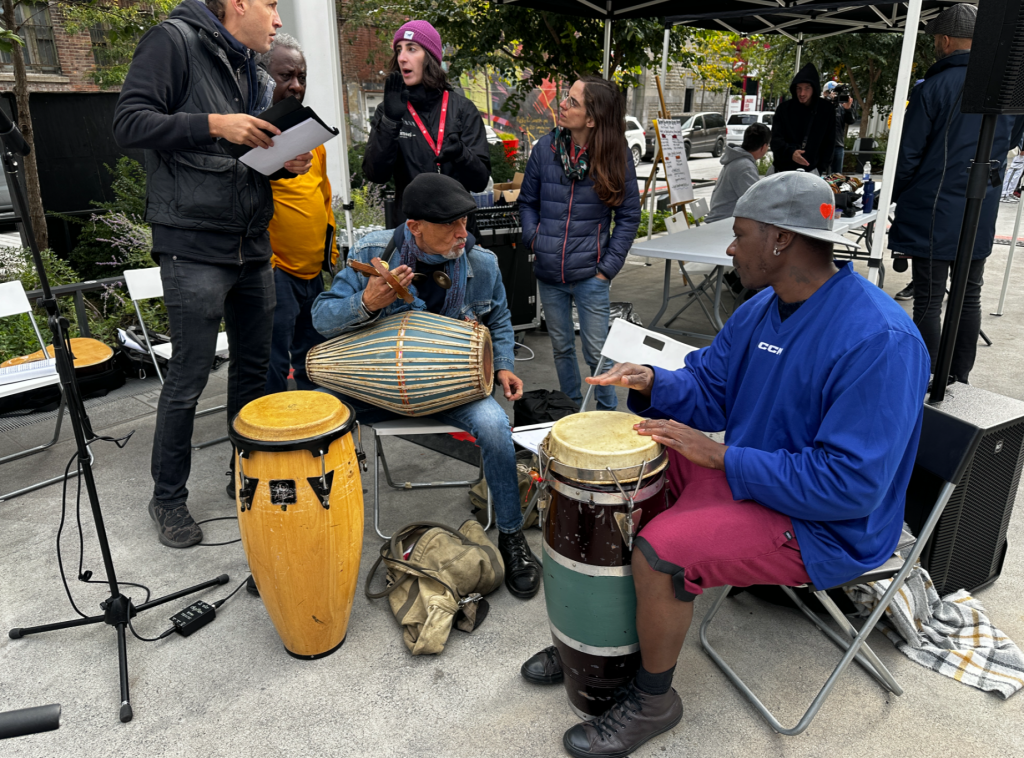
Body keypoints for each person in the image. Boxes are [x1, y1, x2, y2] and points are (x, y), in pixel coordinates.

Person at [520, 173, 931, 758]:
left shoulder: (880, 340)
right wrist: (654, 381)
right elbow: (710, 389)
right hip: (755, 480)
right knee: (621, 481)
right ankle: (599, 648)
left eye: (740, 235)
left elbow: (849, 486)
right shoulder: (762, 307)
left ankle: (654, 698)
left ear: (781, 240)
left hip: (828, 527)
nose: (731, 249)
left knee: (661, 552)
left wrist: (721, 456)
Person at [114, 0, 314, 549]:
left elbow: (240, 159)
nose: (277, 20)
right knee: (190, 377)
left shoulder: (249, 65)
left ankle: (243, 475)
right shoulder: (172, 41)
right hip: (193, 244)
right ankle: (168, 499)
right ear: (238, 3)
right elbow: (129, 124)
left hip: (251, 240)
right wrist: (213, 124)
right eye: (271, 5)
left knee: (252, 373)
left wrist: (280, 158)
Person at [311, 173, 541, 599]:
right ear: (414, 226)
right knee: (317, 415)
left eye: (465, 222)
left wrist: (504, 364)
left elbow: (501, 319)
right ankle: (313, 538)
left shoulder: (481, 264)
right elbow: (321, 319)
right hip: (375, 390)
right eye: (449, 225)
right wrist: (365, 303)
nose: (462, 233)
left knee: (494, 427)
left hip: (448, 392)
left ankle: (511, 537)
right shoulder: (370, 254)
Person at [887, 3, 1017, 385]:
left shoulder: (934, 87)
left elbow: (908, 155)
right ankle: (959, 377)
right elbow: (1012, 141)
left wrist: (898, 196)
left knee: (929, 299)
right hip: (981, 207)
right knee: (969, 295)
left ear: (944, 41)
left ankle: (927, 376)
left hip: (933, 207)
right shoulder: (1003, 89)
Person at [519, 77, 641, 412]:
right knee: (560, 347)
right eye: (566, 98)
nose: (563, 104)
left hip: (591, 275)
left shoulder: (615, 157)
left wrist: (607, 269)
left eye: (573, 101)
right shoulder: (546, 148)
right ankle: (571, 412)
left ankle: (606, 415)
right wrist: (535, 239)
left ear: (592, 118)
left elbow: (629, 217)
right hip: (549, 272)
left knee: (597, 353)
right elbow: (527, 202)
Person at [259, 33, 339, 396]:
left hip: (312, 274)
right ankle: (273, 442)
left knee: (314, 357)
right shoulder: (254, 136)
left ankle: (315, 428)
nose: (295, 86)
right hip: (277, 274)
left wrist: (330, 252)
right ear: (263, 77)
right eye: (285, 76)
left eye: (301, 77)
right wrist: (270, 263)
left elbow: (323, 197)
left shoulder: (312, 136)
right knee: (273, 362)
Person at [362, 20, 490, 223]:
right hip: (411, 234)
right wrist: (390, 122)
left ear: (430, 57)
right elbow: (375, 174)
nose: (402, 58)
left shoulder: (463, 109)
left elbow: (480, 182)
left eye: (412, 49)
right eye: (398, 50)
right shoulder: (389, 110)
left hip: (456, 233)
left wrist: (461, 154)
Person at [770, 63, 835, 175]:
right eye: (799, 88)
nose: (802, 93)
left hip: (811, 172)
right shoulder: (784, 109)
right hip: (783, 170)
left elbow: (829, 143)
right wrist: (791, 153)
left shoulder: (826, 110)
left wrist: (820, 168)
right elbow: (775, 140)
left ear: (814, 88)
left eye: (807, 88)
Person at [704, 122, 771, 224]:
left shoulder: (737, 160)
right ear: (763, 146)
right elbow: (757, 202)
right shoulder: (745, 166)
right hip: (724, 224)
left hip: (722, 220)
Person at [823, 82, 855, 174]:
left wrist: (848, 109)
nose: (834, 95)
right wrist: (829, 102)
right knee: (820, 172)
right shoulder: (820, 105)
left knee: (837, 175)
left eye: (836, 93)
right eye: (829, 92)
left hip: (838, 145)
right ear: (825, 93)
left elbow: (851, 121)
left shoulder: (842, 106)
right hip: (823, 145)